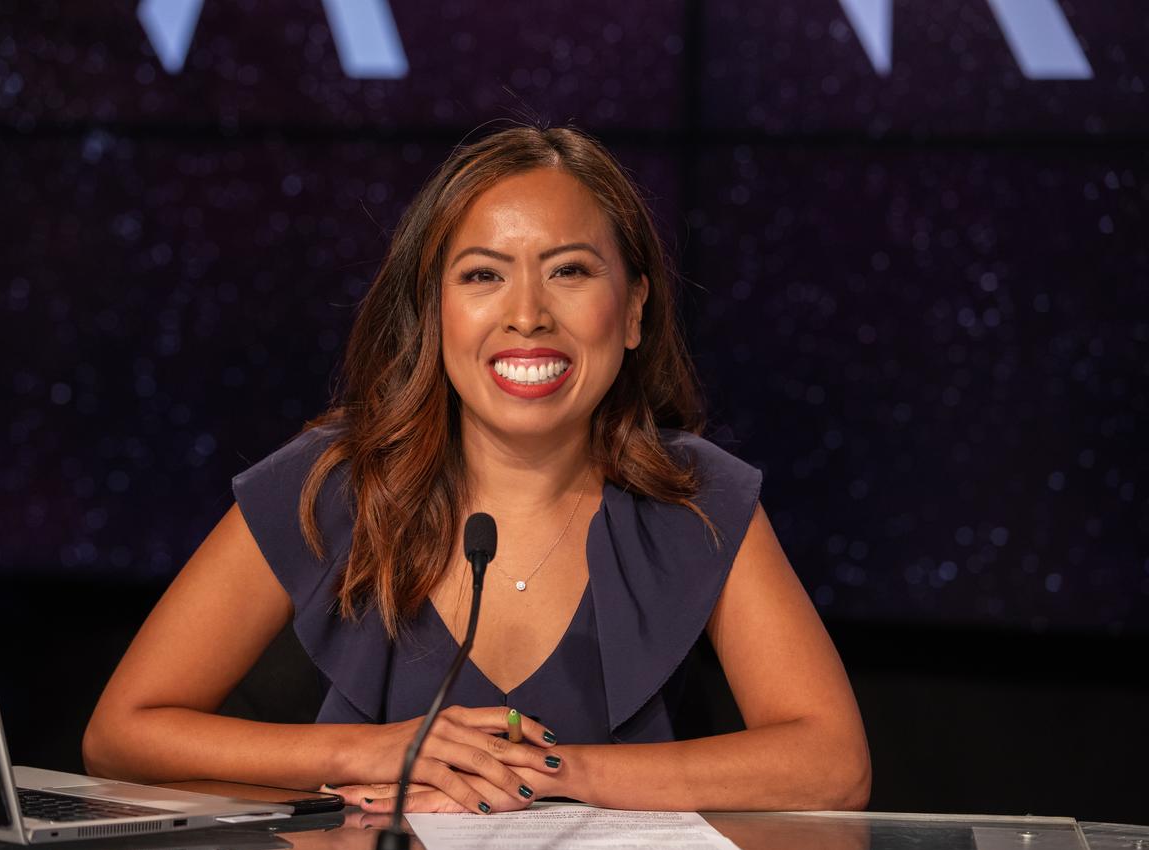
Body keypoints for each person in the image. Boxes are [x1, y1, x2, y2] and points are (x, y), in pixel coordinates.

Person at [83, 125, 871, 815]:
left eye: (569, 270)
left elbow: (832, 766)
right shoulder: (333, 481)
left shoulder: (697, 498)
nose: (527, 312)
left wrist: (555, 773)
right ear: (433, 312)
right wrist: (371, 753)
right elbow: (123, 732)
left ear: (632, 311)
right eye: (482, 274)